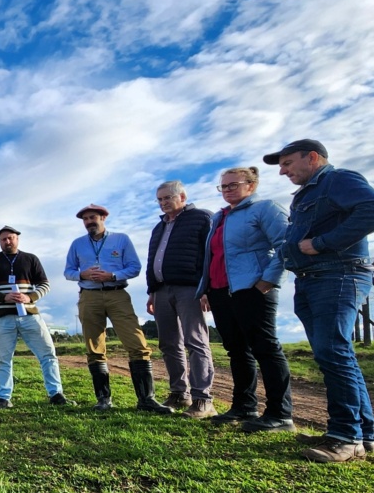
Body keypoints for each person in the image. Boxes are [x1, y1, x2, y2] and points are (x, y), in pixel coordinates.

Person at [268, 139, 374, 462]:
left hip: (338, 274)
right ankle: (365, 433)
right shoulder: (305, 195)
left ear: (311, 157)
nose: (283, 171)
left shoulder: (338, 179)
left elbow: (371, 208)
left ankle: (345, 437)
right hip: (312, 279)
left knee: (333, 351)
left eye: (287, 163)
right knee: (334, 353)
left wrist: (324, 242)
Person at [197, 167, 293, 429]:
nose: (227, 190)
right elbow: (214, 257)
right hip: (221, 292)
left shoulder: (266, 208)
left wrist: (267, 281)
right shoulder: (220, 217)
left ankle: (280, 413)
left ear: (251, 185)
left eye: (233, 185)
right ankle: (244, 407)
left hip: (252, 289)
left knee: (265, 347)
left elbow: (287, 244)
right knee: (237, 351)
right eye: (223, 186)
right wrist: (206, 289)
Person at [64, 204, 171, 413]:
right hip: (89, 296)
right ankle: (103, 400)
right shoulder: (77, 244)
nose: (89, 222)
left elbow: (134, 268)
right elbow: (68, 271)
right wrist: (82, 275)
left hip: (117, 294)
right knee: (94, 347)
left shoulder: (121, 239)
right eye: (85, 219)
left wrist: (112, 275)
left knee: (136, 342)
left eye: (92, 217)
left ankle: (146, 399)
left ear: (103, 217)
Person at [0, 226, 70, 408]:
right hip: (2, 317)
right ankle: (4, 398)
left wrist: (30, 297)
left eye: (10, 238)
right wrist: (2, 296)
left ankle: (56, 394)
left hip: (29, 316)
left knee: (48, 353)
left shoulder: (30, 259)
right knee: (2, 358)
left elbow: (44, 284)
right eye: (3, 239)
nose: (7, 242)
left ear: (17, 239)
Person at [146, 181, 215, 417]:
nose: (164, 203)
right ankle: (179, 393)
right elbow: (152, 259)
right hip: (162, 290)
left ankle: (202, 399)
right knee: (168, 343)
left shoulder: (202, 218)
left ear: (182, 196)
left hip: (190, 289)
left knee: (195, 341)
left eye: (168, 198)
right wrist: (151, 291)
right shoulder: (159, 227)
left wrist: (207, 289)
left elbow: (211, 255)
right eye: (160, 199)